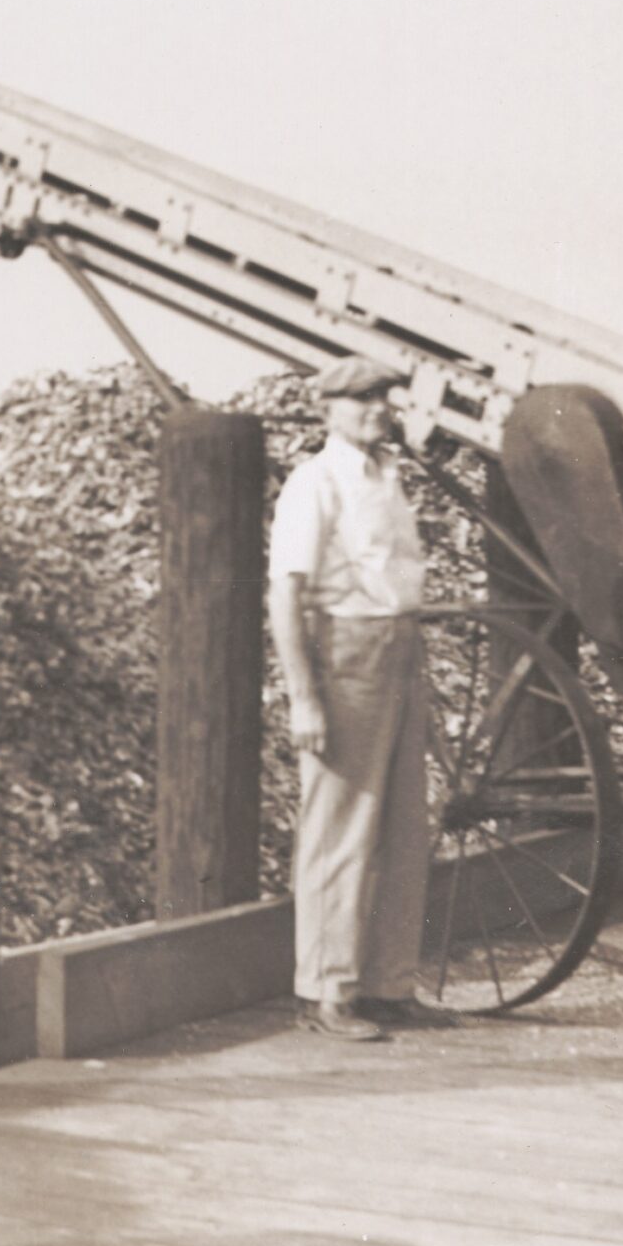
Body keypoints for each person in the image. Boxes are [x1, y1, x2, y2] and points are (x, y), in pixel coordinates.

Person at [267, 356, 455, 1040]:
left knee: (404, 827)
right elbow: (285, 593)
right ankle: (325, 993)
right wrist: (303, 696)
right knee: (339, 828)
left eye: (383, 396)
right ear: (328, 409)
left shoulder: (388, 476)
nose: (377, 409)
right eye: (360, 399)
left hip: (401, 647)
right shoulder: (314, 482)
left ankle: (388, 986)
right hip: (345, 653)